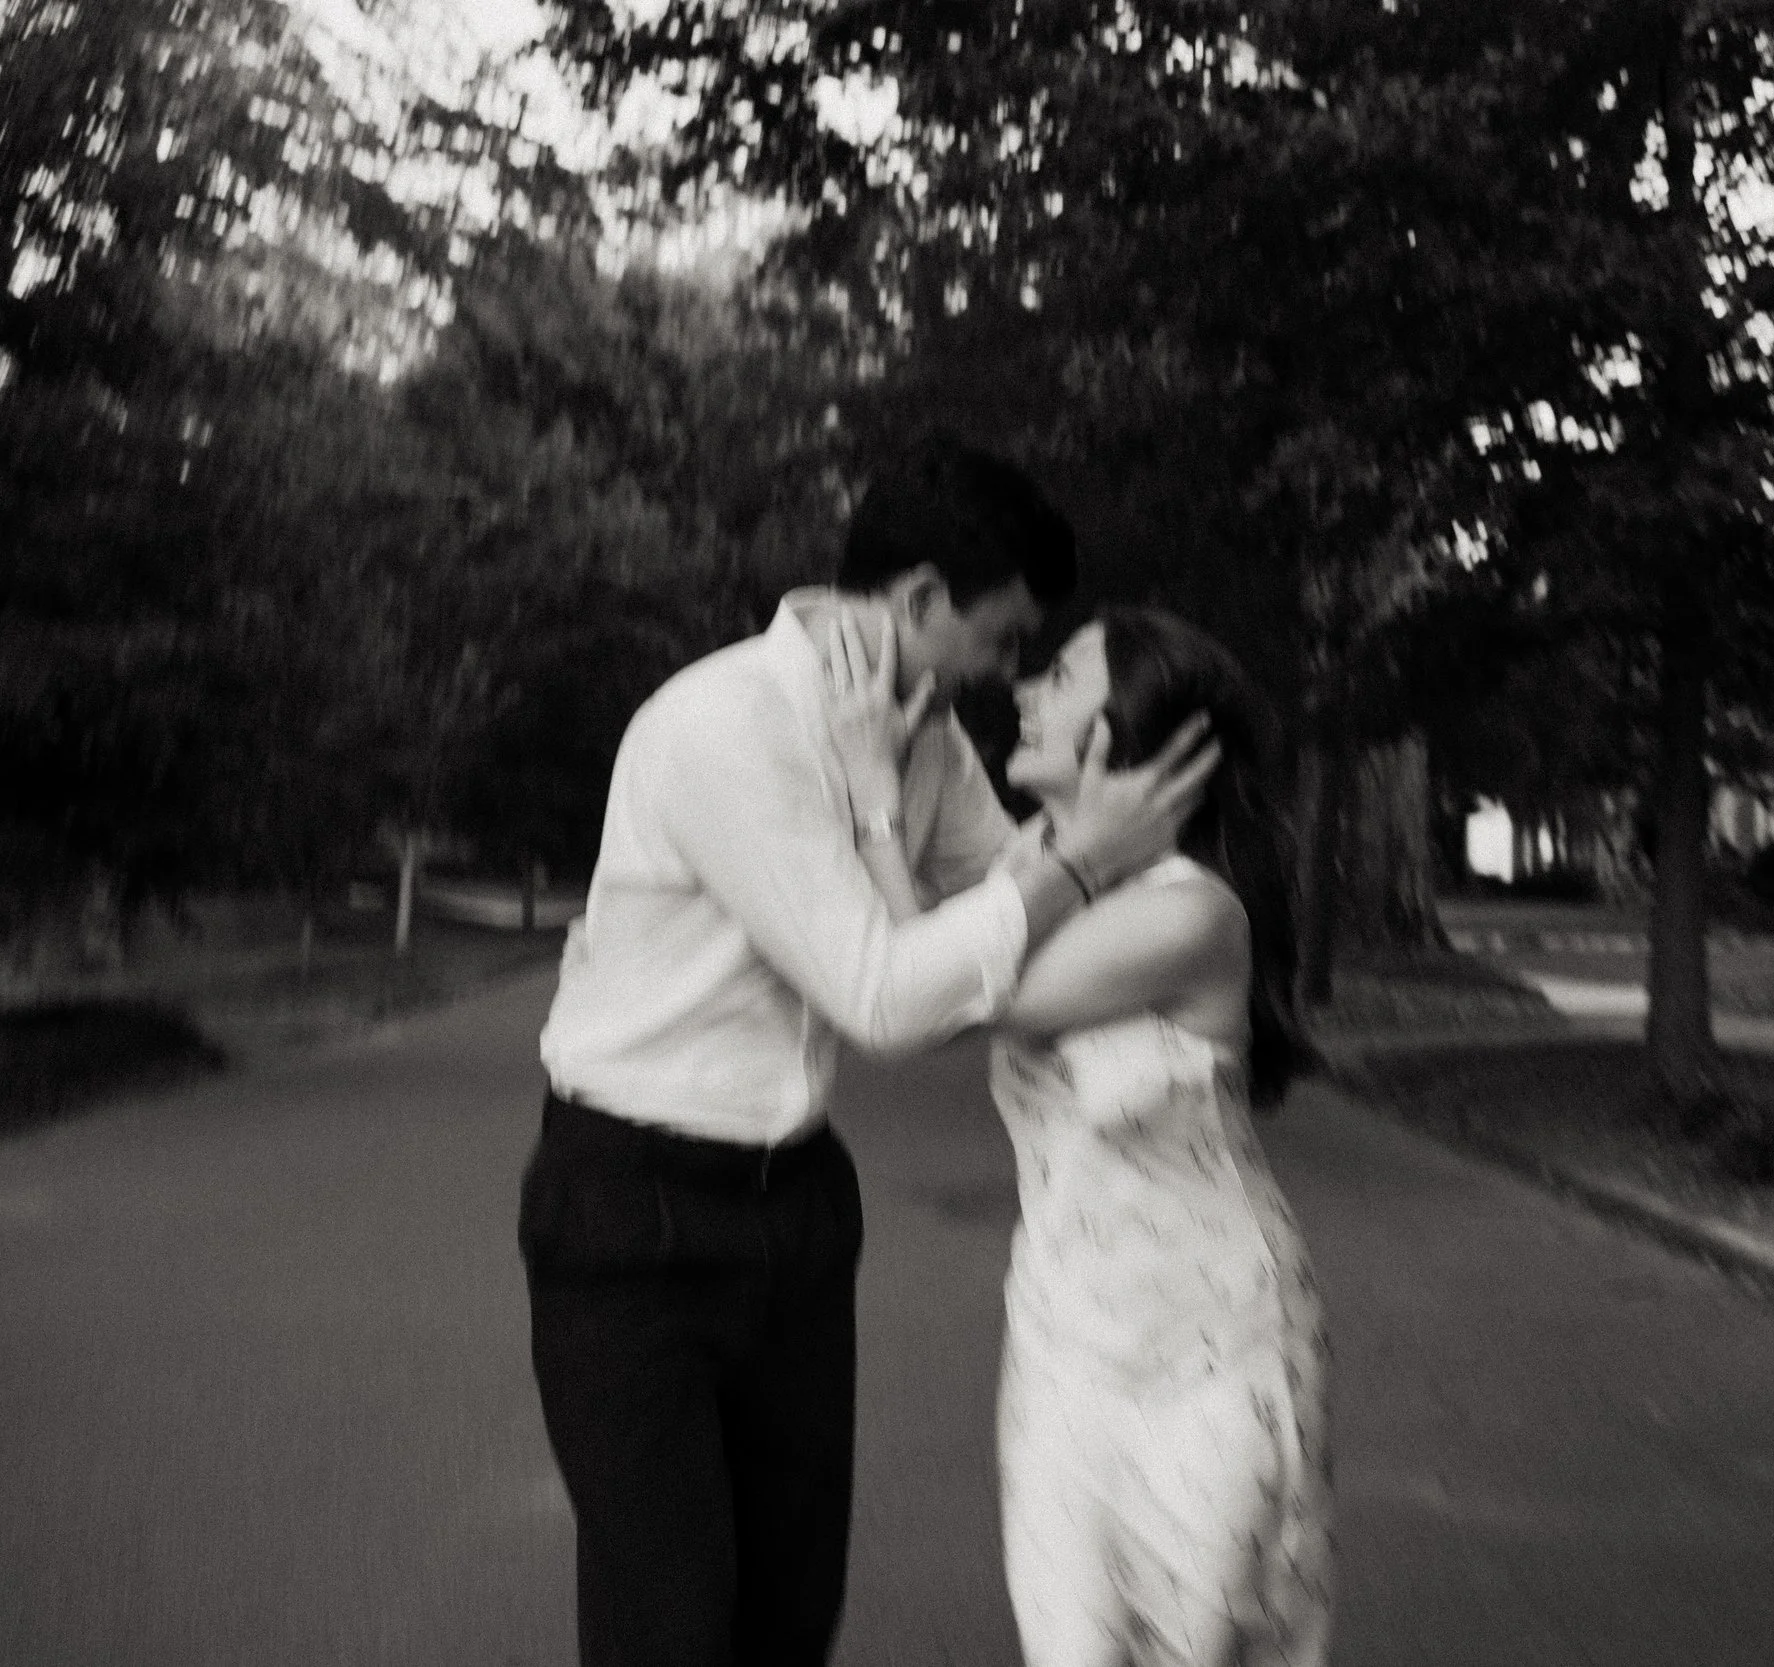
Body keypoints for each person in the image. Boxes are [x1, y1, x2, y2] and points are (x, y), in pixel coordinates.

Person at [519, 435, 1217, 1667]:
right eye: (1001, 640)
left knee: (790, 1618)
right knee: (670, 1628)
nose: (1006, 676)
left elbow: (993, 910)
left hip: (795, 1209)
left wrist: (1164, 897)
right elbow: (892, 996)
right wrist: (1072, 862)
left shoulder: (925, 733)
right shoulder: (722, 724)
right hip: (632, 1218)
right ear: (919, 600)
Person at [832, 604, 1333, 1667]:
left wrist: (876, 800)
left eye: (1058, 676)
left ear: (1130, 736)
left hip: (1209, 1346)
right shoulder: (1046, 866)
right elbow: (947, 933)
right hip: (1063, 1334)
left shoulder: (1193, 915)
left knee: (1194, 1647)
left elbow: (945, 989)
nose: (1023, 690)